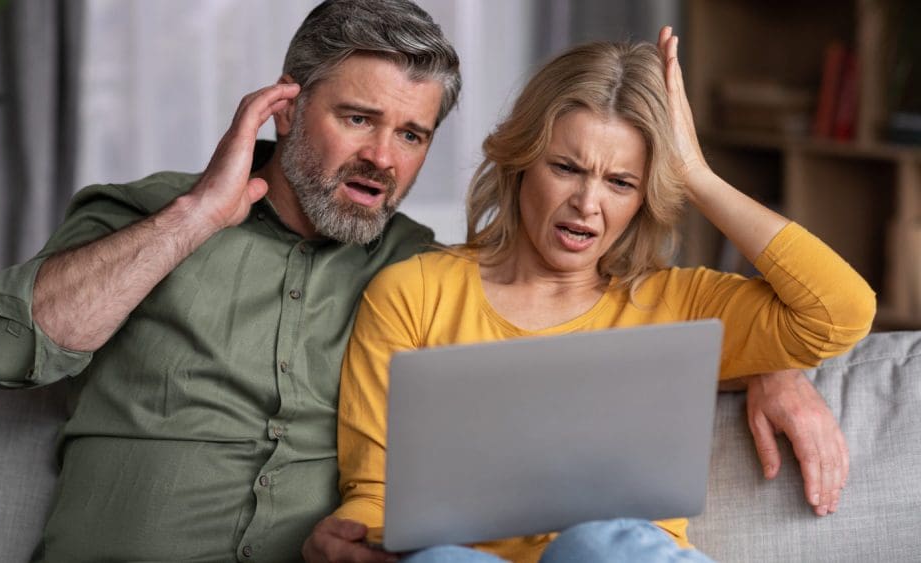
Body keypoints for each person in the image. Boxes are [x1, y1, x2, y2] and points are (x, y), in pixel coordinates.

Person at [305, 27, 875, 563]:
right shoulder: (414, 293)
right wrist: (354, 533)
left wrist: (696, 174)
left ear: (646, 194)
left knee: (600, 543)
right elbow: (374, 488)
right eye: (566, 167)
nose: (588, 203)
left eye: (620, 182)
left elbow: (840, 314)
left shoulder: (678, 304)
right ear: (522, 162)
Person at [0, 1, 459, 561]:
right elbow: (2, 352)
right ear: (286, 109)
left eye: (412, 136)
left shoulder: (420, 269)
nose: (382, 157)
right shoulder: (145, 214)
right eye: (359, 119)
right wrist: (194, 218)